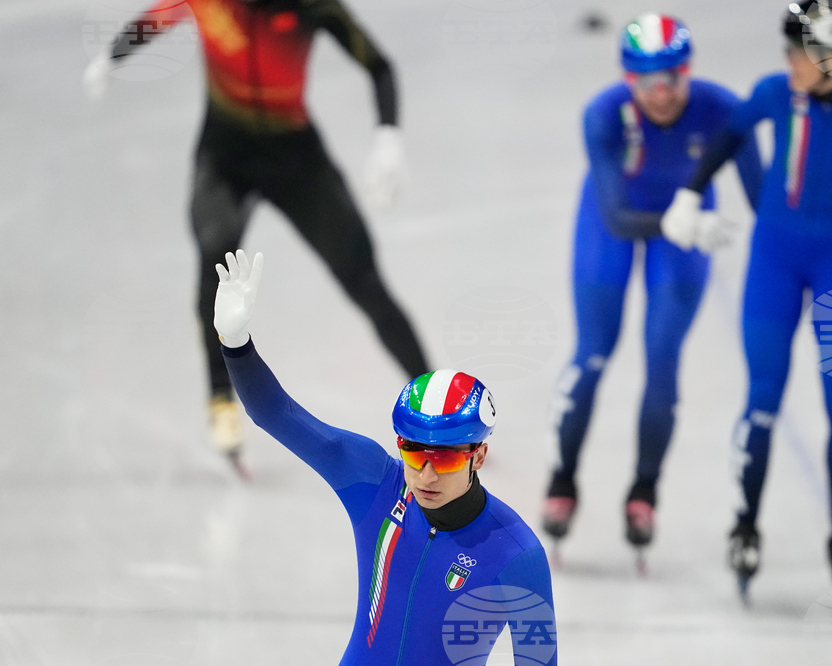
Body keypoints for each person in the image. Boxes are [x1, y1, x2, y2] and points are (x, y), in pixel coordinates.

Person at [83, 0, 429, 477]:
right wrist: (113, 55)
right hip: (225, 160)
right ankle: (220, 397)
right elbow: (159, 17)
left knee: (363, 279)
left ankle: (432, 396)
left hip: (297, 162)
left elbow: (378, 65)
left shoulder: (311, 6)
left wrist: (389, 137)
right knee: (215, 257)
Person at [662, 0, 832, 595]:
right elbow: (730, 135)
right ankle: (745, 525)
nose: (788, 61)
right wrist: (689, 194)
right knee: (762, 399)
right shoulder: (775, 93)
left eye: (799, 52)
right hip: (774, 263)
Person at [213, 249, 557, 665]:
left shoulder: (517, 554)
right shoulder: (375, 484)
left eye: (445, 460)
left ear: (479, 456)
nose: (426, 474)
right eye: (413, 453)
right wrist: (236, 344)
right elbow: (276, 413)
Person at [541, 14, 763, 563]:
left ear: (689, 72)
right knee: (593, 354)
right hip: (617, 224)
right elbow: (617, 217)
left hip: (687, 228)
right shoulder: (602, 114)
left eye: (672, 79)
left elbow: (763, 201)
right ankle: (563, 477)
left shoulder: (723, 109)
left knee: (662, 364)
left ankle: (644, 489)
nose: (660, 94)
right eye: (646, 82)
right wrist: (676, 223)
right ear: (628, 80)